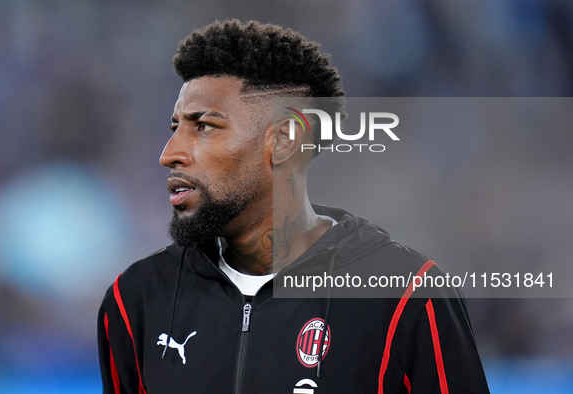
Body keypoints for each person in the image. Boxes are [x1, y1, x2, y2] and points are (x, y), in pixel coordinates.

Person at [98, 20, 489, 393]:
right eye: (175, 128)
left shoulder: (407, 294)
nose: (170, 154)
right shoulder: (136, 299)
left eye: (204, 126)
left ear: (284, 140)